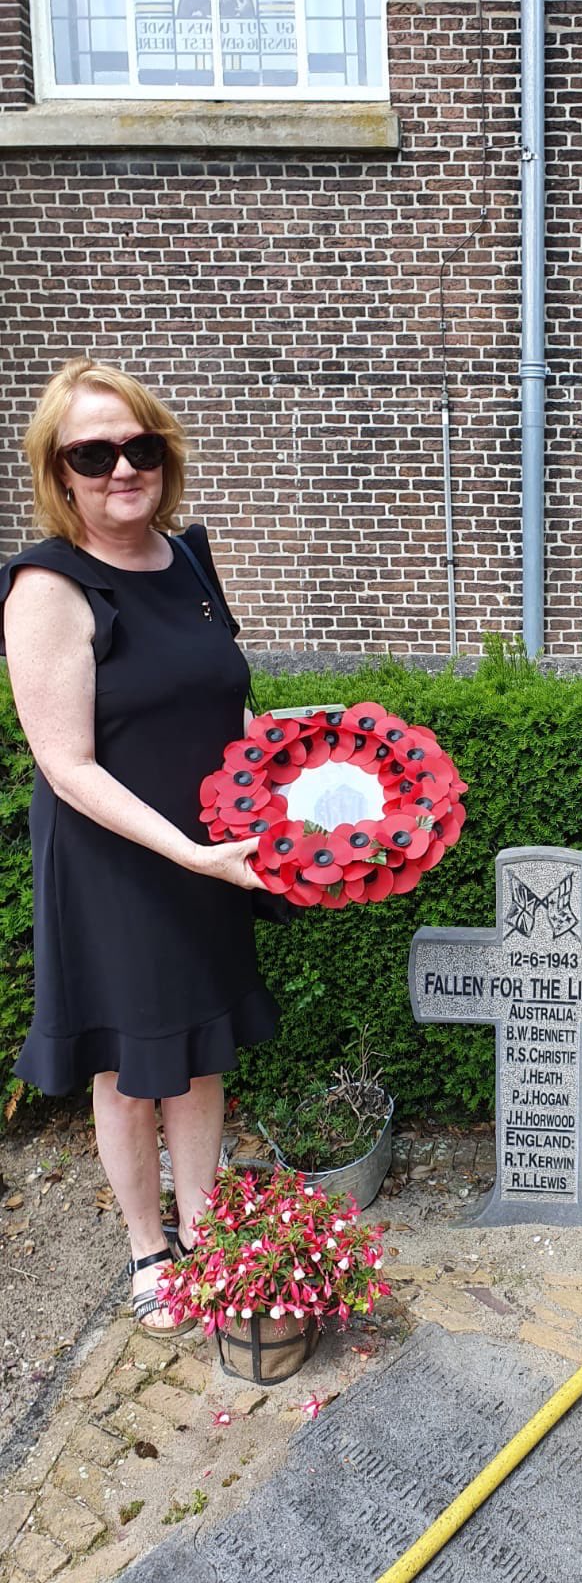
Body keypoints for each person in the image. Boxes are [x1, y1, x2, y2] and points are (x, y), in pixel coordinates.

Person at [0, 360, 279, 1335]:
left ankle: (205, 1228)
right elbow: (66, 764)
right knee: (128, 1066)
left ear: (165, 453)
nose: (122, 467)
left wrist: (291, 772)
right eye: (93, 453)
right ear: (59, 472)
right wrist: (189, 852)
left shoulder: (189, 559)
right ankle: (148, 1249)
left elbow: (226, 701)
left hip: (210, 850)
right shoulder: (49, 586)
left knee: (199, 1049)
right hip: (116, 863)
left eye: (140, 445)